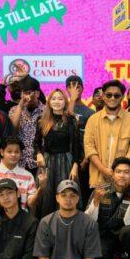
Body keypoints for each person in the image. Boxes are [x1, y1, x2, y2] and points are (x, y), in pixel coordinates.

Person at [85, 157, 130, 259]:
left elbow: (129, 222)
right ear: (113, 174)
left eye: (126, 172)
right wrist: (95, 202)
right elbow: (88, 221)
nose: (122, 175)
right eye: (118, 171)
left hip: (124, 235)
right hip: (105, 236)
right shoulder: (100, 190)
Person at [84, 80, 130, 189]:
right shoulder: (93, 119)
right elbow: (89, 147)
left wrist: (119, 172)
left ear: (122, 97)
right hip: (99, 179)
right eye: (109, 95)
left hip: (124, 180)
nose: (112, 98)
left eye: (116, 95)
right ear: (103, 96)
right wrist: (103, 169)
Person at [34, 88, 82, 217]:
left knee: (65, 193)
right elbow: (36, 142)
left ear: (65, 102)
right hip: (47, 162)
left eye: (60, 99)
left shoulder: (71, 120)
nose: (57, 101)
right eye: (54, 99)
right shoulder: (41, 119)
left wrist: (75, 166)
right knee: (46, 195)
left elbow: (76, 146)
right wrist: (38, 154)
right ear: (49, 102)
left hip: (66, 161)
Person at [66, 75, 96, 204]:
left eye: (77, 87)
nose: (74, 90)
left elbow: (92, 139)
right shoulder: (61, 108)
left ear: (82, 89)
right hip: (66, 158)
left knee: (83, 194)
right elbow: (67, 119)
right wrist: (71, 100)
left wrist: (86, 159)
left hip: (84, 161)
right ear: (66, 89)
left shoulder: (90, 112)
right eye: (70, 87)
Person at [10, 75, 46, 176]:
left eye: (29, 92)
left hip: (40, 160)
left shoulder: (46, 111)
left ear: (37, 93)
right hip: (20, 161)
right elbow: (12, 130)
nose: (26, 96)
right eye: (23, 93)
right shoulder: (14, 110)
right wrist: (20, 106)